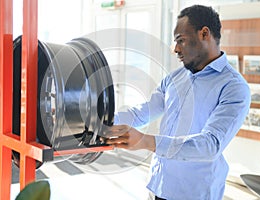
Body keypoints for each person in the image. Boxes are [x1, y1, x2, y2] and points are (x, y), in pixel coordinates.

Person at [105, 4, 251, 200]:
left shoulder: (234, 87)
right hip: (159, 185)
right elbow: (142, 113)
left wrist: (145, 141)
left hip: (194, 193)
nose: (175, 49)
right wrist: (103, 122)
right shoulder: (174, 78)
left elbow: (210, 144)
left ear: (204, 34)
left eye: (180, 41)